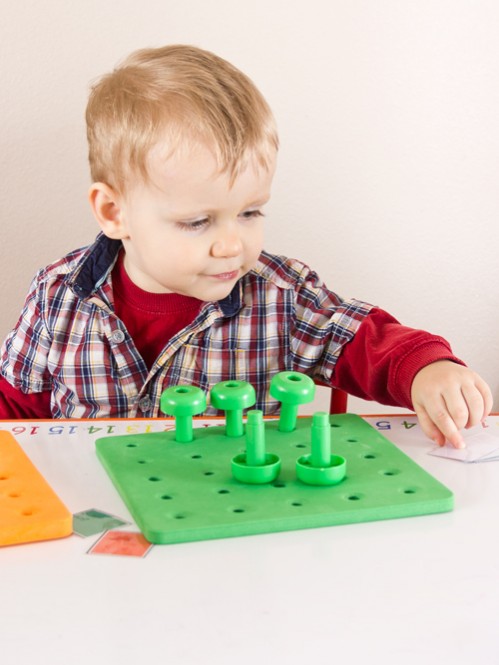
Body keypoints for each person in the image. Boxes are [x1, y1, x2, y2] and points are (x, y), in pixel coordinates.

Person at [0, 44, 492, 448]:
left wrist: (427, 370)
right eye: (197, 222)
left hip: (235, 523)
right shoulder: (57, 296)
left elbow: (366, 343)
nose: (232, 244)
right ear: (114, 213)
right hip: (97, 517)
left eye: (251, 212)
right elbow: (15, 414)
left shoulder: (282, 297)